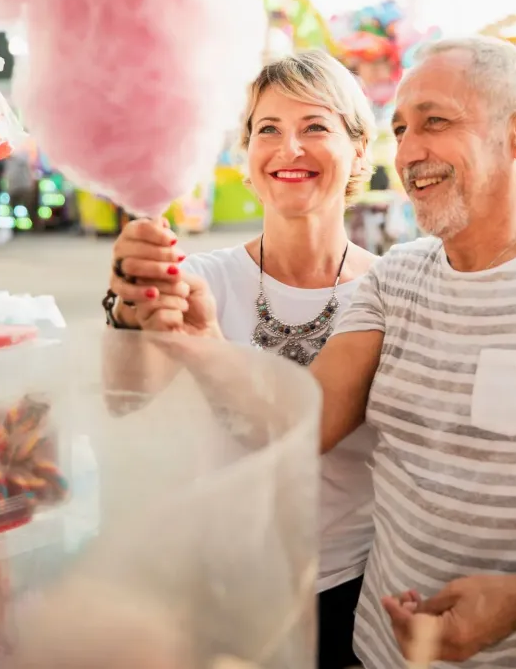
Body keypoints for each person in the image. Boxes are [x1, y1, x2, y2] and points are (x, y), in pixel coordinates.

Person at [138, 37, 516, 669]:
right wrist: (203, 341)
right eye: (401, 128)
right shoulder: (396, 277)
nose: (410, 152)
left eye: (435, 121)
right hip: (379, 647)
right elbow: (298, 426)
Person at [102, 50, 378, 669]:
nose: (289, 148)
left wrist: (206, 346)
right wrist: (128, 306)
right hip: (216, 586)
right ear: (246, 158)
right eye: (268, 130)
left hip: (346, 589)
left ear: (360, 151)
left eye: (315, 127)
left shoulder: (389, 290)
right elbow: (126, 395)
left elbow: (305, 428)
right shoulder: (201, 276)